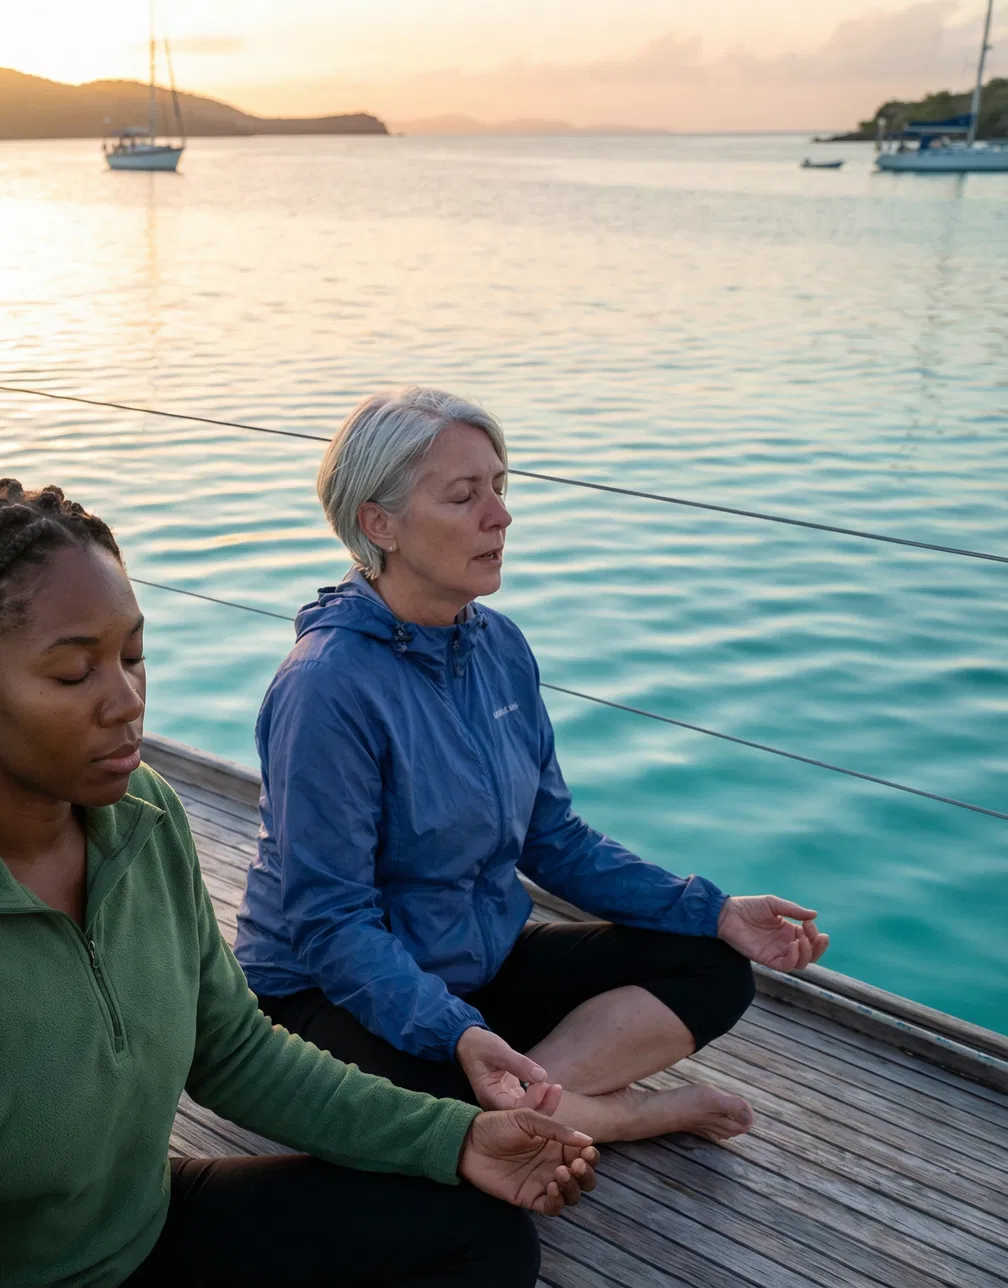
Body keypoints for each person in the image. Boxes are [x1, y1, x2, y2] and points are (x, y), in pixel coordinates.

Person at [0, 479, 599, 1288]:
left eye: (133, 656)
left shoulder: (143, 817)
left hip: (139, 1236)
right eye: (75, 674)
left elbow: (235, 1050)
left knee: (478, 1228)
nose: (127, 700)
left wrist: (453, 1138)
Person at [234, 387, 830, 1144]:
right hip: (328, 995)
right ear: (378, 523)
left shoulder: (499, 647)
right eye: (463, 496)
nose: (501, 515)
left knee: (713, 963)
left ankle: (524, 1108)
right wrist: (454, 1033)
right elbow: (331, 923)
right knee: (431, 1131)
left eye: (499, 488)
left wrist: (711, 909)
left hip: (479, 965)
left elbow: (556, 840)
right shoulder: (326, 687)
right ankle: (609, 1114)